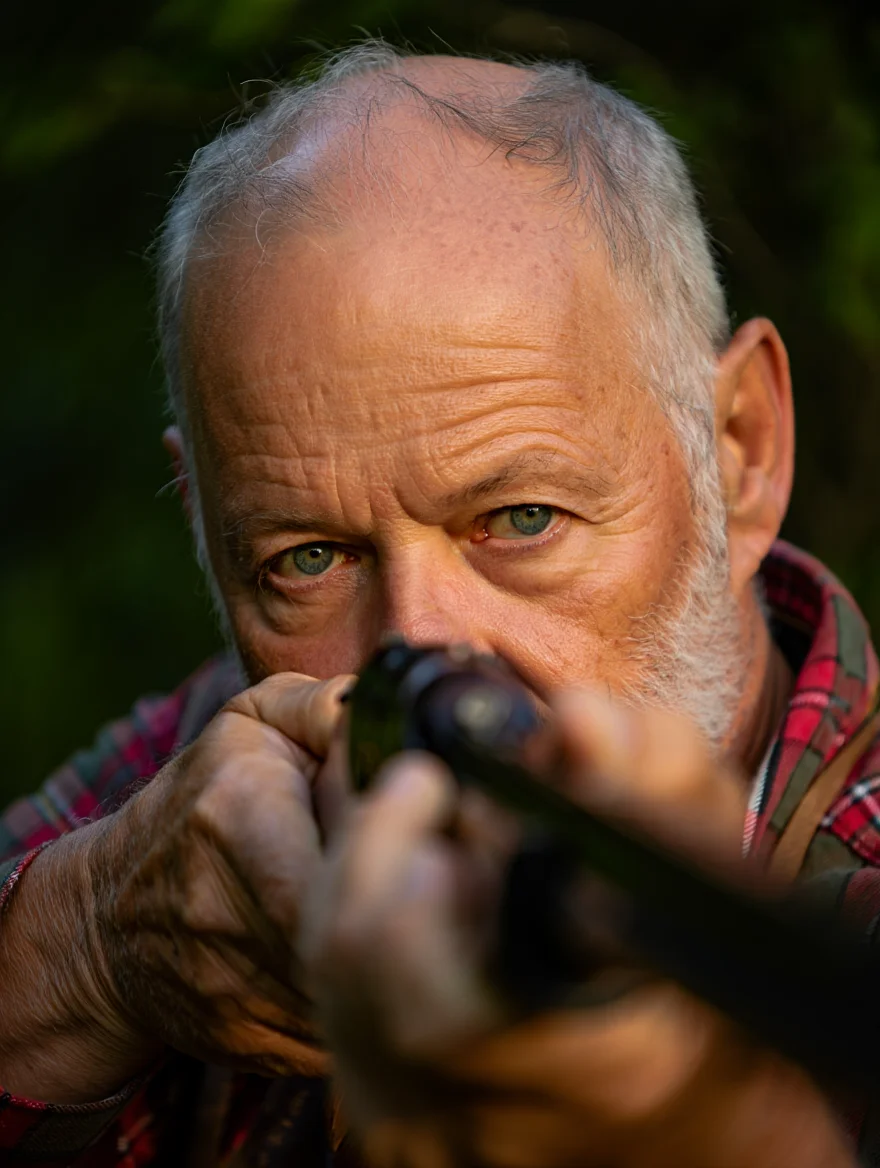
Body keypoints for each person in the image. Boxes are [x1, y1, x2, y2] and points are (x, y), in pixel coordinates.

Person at [0, 42, 875, 1167]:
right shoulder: (213, 792)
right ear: (206, 524)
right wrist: (84, 948)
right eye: (311, 557)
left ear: (739, 450)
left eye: (520, 518)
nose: (414, 645)